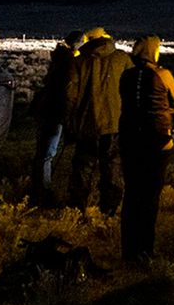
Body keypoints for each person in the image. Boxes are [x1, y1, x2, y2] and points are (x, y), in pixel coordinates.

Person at [118, 36, 174, 264]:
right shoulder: (162, 75)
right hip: (157, 142)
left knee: (132, 194)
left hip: (129, 140)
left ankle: (128, 249)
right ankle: (145, 249)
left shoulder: (127, 75)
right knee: (150, 196)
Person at [63, 27, 131, 214]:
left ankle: (77, 208)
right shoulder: (122, 59)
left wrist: (68, 121)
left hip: (86, 124)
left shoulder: (78, 62)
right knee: (112, 167)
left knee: (83, 168)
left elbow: (70, 95)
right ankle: (109, 209)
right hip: (114, 123)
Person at [29, 29, 82, 206]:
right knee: (48, 152)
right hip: (54, 111)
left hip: (44, 109)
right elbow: (66, 92)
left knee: (42, 151)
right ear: (77, 43)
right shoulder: (69, 63)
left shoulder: (59, 58)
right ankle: (43, 190)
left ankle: (36, 186)